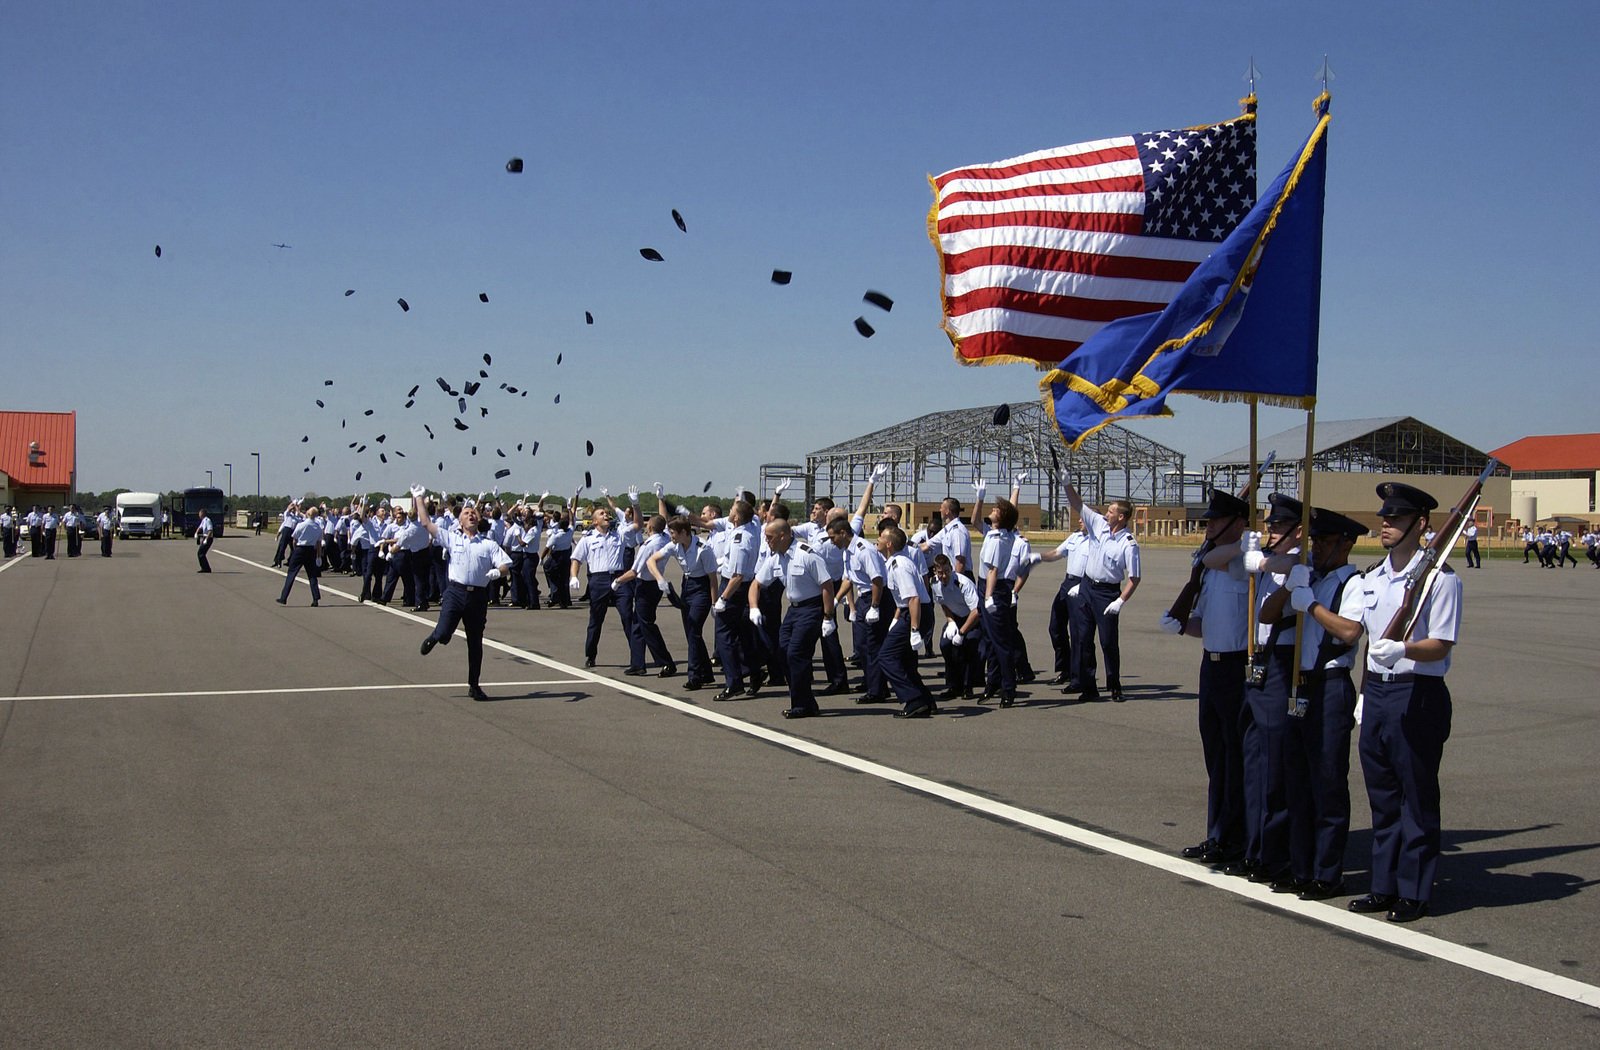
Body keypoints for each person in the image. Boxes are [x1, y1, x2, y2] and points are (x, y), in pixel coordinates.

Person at [1343, 482, 1462, 924]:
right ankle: (1383, 885)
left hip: (1418, 694)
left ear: (1422, 524)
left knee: (1416, 797)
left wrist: (1405, 650)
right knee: (1382, 797)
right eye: (1385, 517)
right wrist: (1363, 692)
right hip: (1376, 692)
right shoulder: (1372, 578)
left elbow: (1441, 645)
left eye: (1395, 518)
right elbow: (1366, 641)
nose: (1385, 524)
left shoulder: (1440, 580)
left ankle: (1414, 891)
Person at [1268, 506, 1368, 901]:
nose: (1317, 548)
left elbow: (1349, 631)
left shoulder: (1353, 583)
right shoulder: (1310, 577)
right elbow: (1266, 614)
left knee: (1327, 782)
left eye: (1324, 542)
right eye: (1314, 541)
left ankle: (1328, 873)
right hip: (1301, 683)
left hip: (1331, 684)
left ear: (1345, 544)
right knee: (1298, 782)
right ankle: (1301, 866)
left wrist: (1310, 605)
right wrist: (1290, 587)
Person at [1162, 489, 1252, 867]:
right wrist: (1182, 623)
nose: (1208, 526)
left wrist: (1205, 559)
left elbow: (1219, 558)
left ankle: (1239, 838)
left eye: (1215, 521)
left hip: (1237, 669)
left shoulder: (1244, 560)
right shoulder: (1211, 569)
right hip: (1211, 666)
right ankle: (1218, 833)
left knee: (1236, 758)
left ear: (1239, 523)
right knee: (1215, 757)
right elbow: (1206, 623)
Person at [413, 486, 513, 702]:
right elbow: (426, 523)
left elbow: (506, 564)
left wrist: (498, 571)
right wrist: (419, 498)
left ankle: (474, 685)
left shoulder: (488, 543)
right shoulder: (452, 538)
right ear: (459, 521)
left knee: (475, 642)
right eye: (466, 513)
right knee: (444, 632)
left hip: (477, 597)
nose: (471, 514)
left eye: (473, 512)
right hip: (455, 592)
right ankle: (435, 637)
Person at [1063, 482, 1141, 703]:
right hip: (1087, 588)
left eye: (1111, 512)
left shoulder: (1129, 544)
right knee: (1084, 638)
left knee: (1108, 642)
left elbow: (1134, 578)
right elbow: (1077, 503)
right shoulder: (1098, 525)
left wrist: (1120, 601)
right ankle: (1089, 687)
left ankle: (1114, 684)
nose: (1106, 514)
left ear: (1122, 518)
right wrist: (1066, 481)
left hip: (1107, 594)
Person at [751, 518, 836, 718]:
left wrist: (828, 617)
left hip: (811, 608)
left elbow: (827, 586)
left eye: (770, 537)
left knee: (796, 654)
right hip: (794, 610)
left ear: (783, 536)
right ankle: (807, 702)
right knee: (783, 653)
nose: (767, 541)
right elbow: (756, 584)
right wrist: (754, 607)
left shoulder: (806, 554)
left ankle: (801, 704)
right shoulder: (776, 557)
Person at [648, 515, 718, 689]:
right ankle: (707, 673)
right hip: (686, 587)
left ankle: (694, 675)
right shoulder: (675, 546)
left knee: (694, 629)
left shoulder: (703, 549)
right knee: (691, 634)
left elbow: (712, 579)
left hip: (701, 588)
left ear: (684, 532)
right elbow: (651, 560)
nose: (670, 535)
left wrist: (714, 603)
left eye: (673, 532)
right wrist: (659, 579)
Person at [878, 525, 938, 718]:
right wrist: (896, 619)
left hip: (915, 614)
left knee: (886, 657)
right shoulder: (895, 562)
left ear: (888, 544)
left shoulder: (900, 565)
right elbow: (903, 598)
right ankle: (925, 700)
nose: (877, 540)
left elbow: (913, 598)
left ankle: (913, 699)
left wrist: (914, 629)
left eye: (880, 538)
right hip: (908, 613)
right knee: (904, 662)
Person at [614, 513, 676, 676]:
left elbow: (634, 571)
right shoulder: (665, 538)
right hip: (655, 585)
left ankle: (665, 661)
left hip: (646, 585)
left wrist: (618, 581)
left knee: (647, 625)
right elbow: (663, 517)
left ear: (649, 527)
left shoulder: (648, 545)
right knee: (637, 625)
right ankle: (637, 663)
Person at [571, 504, 628, 668]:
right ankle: (590, 655)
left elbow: (633, 524)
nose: (606, 515)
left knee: (628, 617)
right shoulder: (588, 539)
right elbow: (576, 559)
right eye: (602, 514)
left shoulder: (618, 536)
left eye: (607, 513)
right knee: (596, 620)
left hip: (619, 577)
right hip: (598, 579)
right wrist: (574, 576)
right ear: (595, 521)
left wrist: (633, 506)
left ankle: (637, 658)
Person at [930, 554, 982, 699]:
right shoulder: (934, 583)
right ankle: (954, 686)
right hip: (955, 618)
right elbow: (943, 604)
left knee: (968, 646)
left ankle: (968, 686)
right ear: (935, 571)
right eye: (940, 572)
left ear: (951, 569)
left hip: (972, 620)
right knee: (945, 645)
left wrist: (962, 632)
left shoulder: (963, 584)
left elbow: (976, 611)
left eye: (946, 571)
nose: (944, 576)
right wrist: (951, 622)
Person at [276, 506, 325, 605]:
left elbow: (294, 539)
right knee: (312, 575)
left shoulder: (302, 525)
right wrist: (319, 556)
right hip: (311, 550)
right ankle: (315, 598)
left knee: (291, 573)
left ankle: (284, 597)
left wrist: (295, 550)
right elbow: (319, 543)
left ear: (308, 514)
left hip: (300, 549)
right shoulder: (318, 527)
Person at [195, 508, 214, 572]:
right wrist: (196, 533)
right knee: (201, 553)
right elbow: (200, 527)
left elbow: (210, 530)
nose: (199, 515)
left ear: (202, 513)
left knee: (201, 553)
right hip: (204, 538)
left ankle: (206, 568)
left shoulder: (208, 520)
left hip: (208, 538)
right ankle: (205, 568)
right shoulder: (203, 521)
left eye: (199, 513)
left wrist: (206, 539)